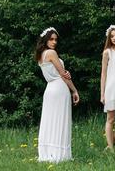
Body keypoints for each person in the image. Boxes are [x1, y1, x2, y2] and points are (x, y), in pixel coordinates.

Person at [35, 27, 80, 162]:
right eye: (51, 39)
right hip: (59, 88)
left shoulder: (40, 55)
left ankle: (48, 152)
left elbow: (62, 73)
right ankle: (59, 155)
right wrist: (74, 90)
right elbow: (63, 74)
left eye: (55, 39)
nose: (54, 42)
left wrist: (65, 73)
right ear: (45, 40)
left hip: (49, 89)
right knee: (60, 120)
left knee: (50, 120)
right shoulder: (51, 53)